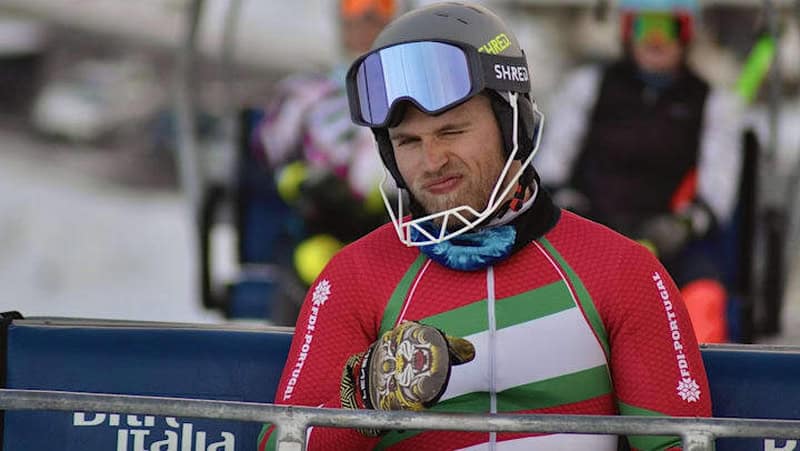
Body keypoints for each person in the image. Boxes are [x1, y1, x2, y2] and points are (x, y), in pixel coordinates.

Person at [258, 2, 711, 450]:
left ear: (513, 124)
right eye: (408, 141)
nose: (432, 161)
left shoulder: (620, 269)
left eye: (452, 131)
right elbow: (283, 443)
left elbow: (680, 444)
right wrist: (362, 398)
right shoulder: (354, 277)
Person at [535, 0, 744, 343]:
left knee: (704, 293)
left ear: (686, 34)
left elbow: (717, 193)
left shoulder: (712, 103)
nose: (655, 40)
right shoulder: (588, 87)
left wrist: (680, 226)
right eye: (643, 27)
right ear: (627, 31)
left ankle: (700, 368)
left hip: (670, 244)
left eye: (667, 28)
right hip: (593, 232)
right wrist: (576, 212)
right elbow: (551, 169)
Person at [253, 0, 398, 289]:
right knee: (321, 266)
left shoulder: (406, 89)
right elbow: (270, 153)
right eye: (355, 21)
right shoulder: (308, 93)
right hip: (323, 223)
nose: (364, 30)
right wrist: (301, 180)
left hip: (393, 220)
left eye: (374, 21)